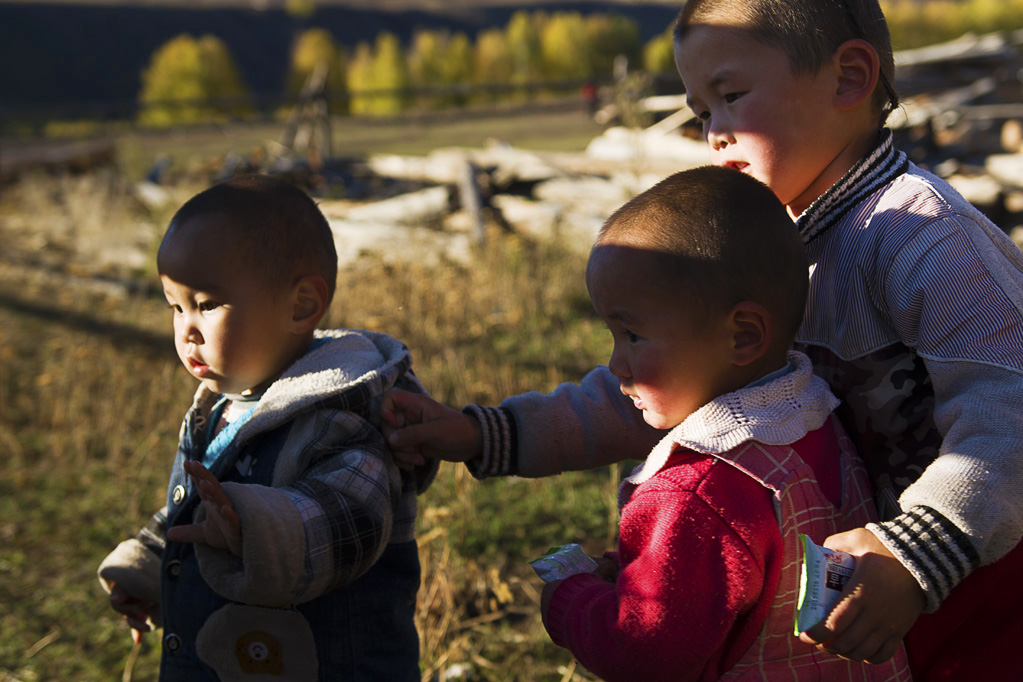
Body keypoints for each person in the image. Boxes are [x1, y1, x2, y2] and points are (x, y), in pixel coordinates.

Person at [383, 1, 1023, 680]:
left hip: (975, 594)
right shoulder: (761, 245)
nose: (713, 134)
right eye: (699, 112)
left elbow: (1009, 409)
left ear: (847, 80)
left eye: (731, 97)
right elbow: (659, 382)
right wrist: (489, 432)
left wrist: (919, 551)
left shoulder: (926, 242)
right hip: (858, 616)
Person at [549, 166, 910, 679]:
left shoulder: (695, 493)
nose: (616, 364)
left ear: (742, 336)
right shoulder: (813, 414)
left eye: (631, 335)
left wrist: (570, 601)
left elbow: (642, 650)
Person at [97, 174, 436, 681]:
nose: (186, 330)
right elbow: (196, 504)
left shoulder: (339, 413)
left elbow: (351, 520)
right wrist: (147, 566)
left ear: (301, 305)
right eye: (175, 306)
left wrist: (252, 530)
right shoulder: (226, 405)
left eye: (207, 304)